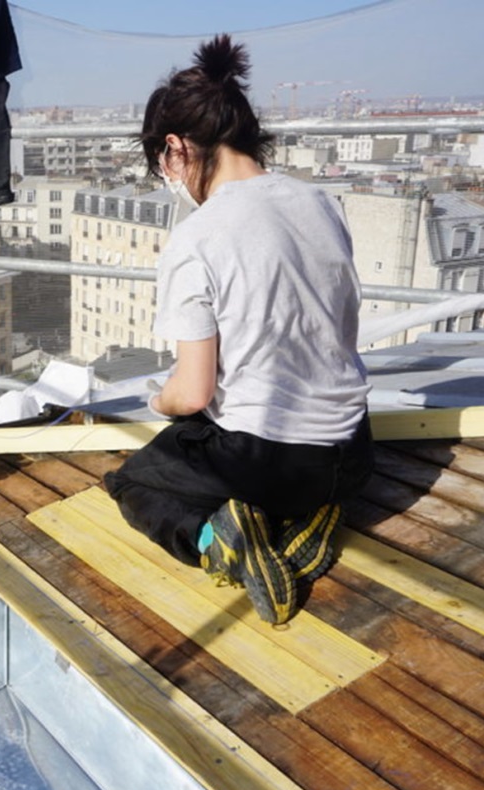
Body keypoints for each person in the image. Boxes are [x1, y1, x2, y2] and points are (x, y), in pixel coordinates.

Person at [103, 35, 374, 625]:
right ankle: (306, 515)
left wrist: (159, 397)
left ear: (176, 147)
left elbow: (193, 394)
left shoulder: (198, 238)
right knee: (230, 444)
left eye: (162, 162)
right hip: (352, 449)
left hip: (268, 459)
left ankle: (224, 539)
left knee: (133, 484)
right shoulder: (320, 202)